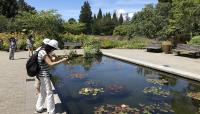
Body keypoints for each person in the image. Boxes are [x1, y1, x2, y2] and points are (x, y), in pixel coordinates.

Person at [36, 39, 67, 114]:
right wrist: (62, 60)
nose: (54, 50)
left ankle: (39, 108)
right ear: (51, 47)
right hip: (44, 75)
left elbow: (50, 61)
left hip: (41, 74)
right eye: (54, 48)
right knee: (49, 93)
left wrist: (55, 57)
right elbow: (51, 64)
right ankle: (51, 111)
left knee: (43, 92)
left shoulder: (43, 50)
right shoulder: (43, 52)